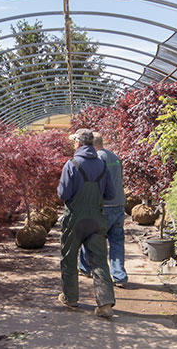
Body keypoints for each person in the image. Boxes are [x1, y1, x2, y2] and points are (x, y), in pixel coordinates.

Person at [57, 128, 116, 318]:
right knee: (99, 260)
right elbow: (111, 194)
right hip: (96, 219)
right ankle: (105, 303)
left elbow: (63, 194)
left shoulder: (71, 164)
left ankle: (70, 298)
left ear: (78, 143)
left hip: (75, 218)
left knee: (69, 258)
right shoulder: (102, 165)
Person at [78, 132, 128, 287]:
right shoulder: (115, 157)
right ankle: (119, 276)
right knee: (117, 241)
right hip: (119, 205)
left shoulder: (97, 158)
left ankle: (85, 268)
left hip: (103, 205)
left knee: (90, 237)